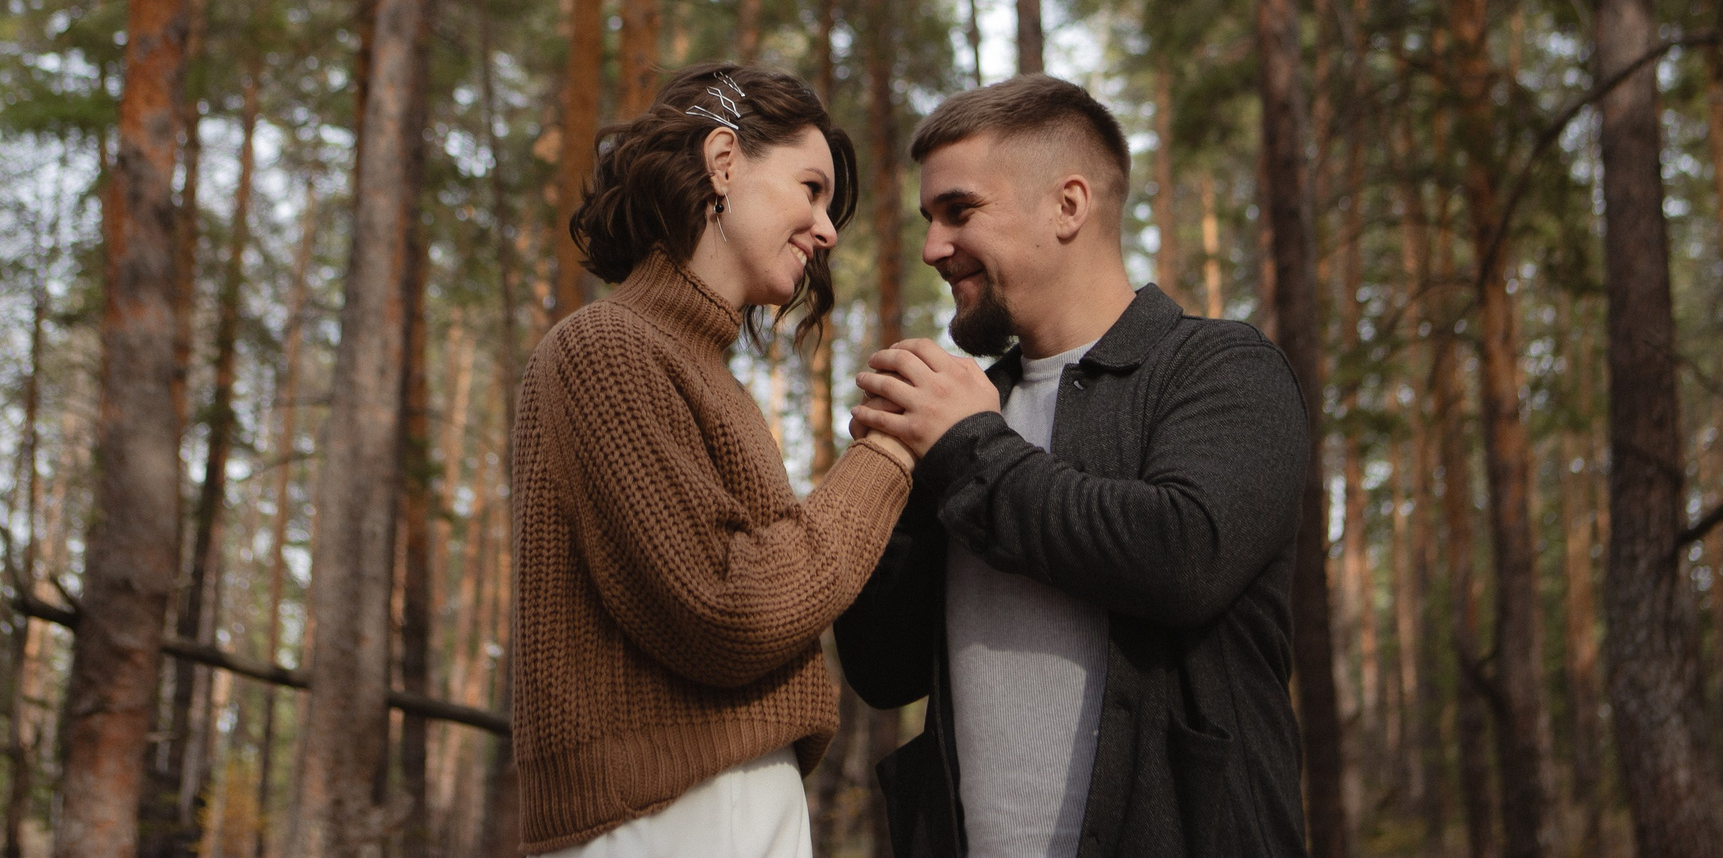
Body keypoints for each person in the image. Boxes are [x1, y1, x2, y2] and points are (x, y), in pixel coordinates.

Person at [837, 75, 1312, 858]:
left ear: (1069, 205)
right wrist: (888, 476)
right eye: (928, 219)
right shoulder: (967, 411)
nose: (931, 248)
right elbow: (883, 670)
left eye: (960, 210)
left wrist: (965, 449)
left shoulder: (1221, 366)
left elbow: (1183, 555)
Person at [512, 62, 916, 857]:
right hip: (673, 814)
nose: (828, 229)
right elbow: (729, 608)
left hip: (722, 804)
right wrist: (892, 453)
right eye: (811, 187)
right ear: (724, 161)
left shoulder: (696, 368)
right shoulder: (606, 347)